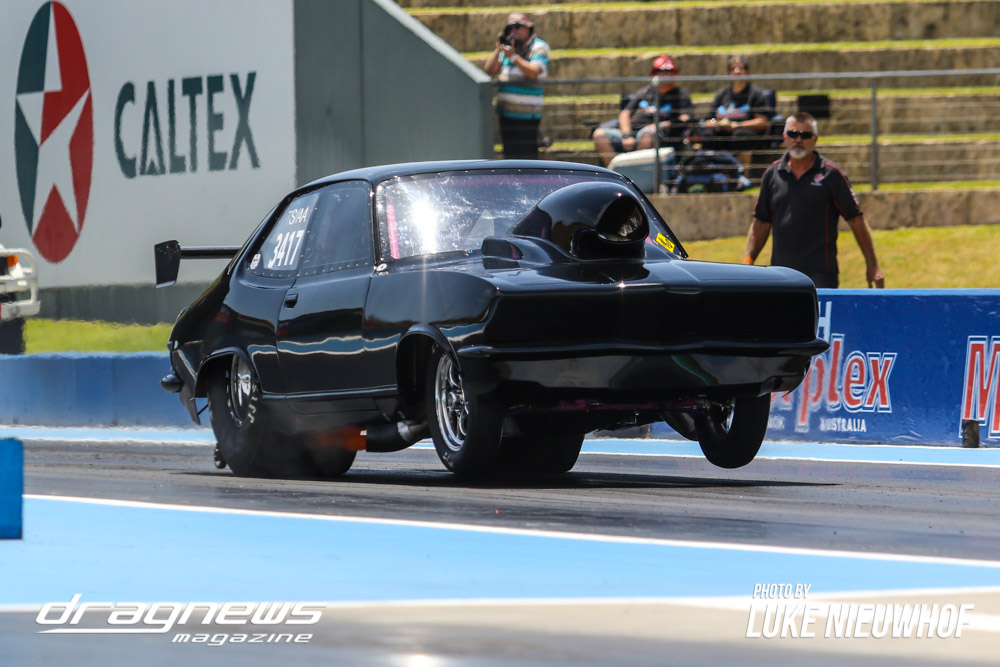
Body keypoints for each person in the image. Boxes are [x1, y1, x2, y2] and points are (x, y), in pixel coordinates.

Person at [744, 112, 885, 289]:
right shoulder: (772, 174)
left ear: (815, 139)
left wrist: (872, 265)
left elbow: (856, 219)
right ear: (784, 137)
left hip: (820, 273)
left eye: (805, 135)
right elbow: (761, 222)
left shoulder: (831, 174)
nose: (798, 140)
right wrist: (748, 261)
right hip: (781, 273)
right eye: (793, 134)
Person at [592, 55, 694, 166]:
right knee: (599, 134)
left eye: (668, 71)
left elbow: (686, 117)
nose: (664, 74)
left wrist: (661, 125)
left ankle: (636, 171)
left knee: (648, 134)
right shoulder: (644, 92)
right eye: (660, 71)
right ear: (653, 74)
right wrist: (627, 135)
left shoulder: (680, 94)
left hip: (657, 134)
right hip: (631, 133)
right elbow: (625, 113)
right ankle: (614, 172)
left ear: (674, 74)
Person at [484, 13, 550, 159]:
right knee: (510, 159)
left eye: (517, 26)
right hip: (506, 115)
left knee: (528, 160)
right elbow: (490, 70)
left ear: (528, 28)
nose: (513, 31)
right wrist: (498, 49)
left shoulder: (539, 47)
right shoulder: (508, 49)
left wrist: (513, 56)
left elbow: (533, 72)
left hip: (527, 117)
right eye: (509, 28)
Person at [700, 55, 773, 163]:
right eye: (733, 68)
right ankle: (714, 169)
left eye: (740, 68)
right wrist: (717, 123)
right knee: (708, 135)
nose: (737, 71)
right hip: (722, 133)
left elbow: (762, 122)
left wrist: (738, 125)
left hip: (743, 134)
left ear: (747, 71)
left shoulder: (755, 94)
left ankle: (740, 172)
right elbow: (709, 120)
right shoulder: (722, 94)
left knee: (740, 135)